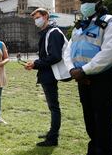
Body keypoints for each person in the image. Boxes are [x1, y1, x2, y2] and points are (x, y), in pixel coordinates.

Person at [64, 0, 112, 155]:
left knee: (103, 122)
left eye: (90, 0)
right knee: (90, 121)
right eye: (83, 1)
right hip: (81, 79)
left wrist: (83, 70)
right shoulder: (79, 27)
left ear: (99, 2)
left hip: (102, 79)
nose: (85, 4)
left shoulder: (111, 23)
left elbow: (109, 54)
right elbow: (68, 51)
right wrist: (72, 71)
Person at [24, 8, 67, 147]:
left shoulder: (53, 33)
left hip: (51, 74)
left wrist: (36, 64)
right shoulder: (47, 32)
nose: (36, 20)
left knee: (54, 107)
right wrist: (35, 64)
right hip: (47, 73)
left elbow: (55, 56)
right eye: (35, 18)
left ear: (46, 16)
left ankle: (53, 138)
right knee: (52, 106)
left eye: (38, 17)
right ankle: (52, 133)